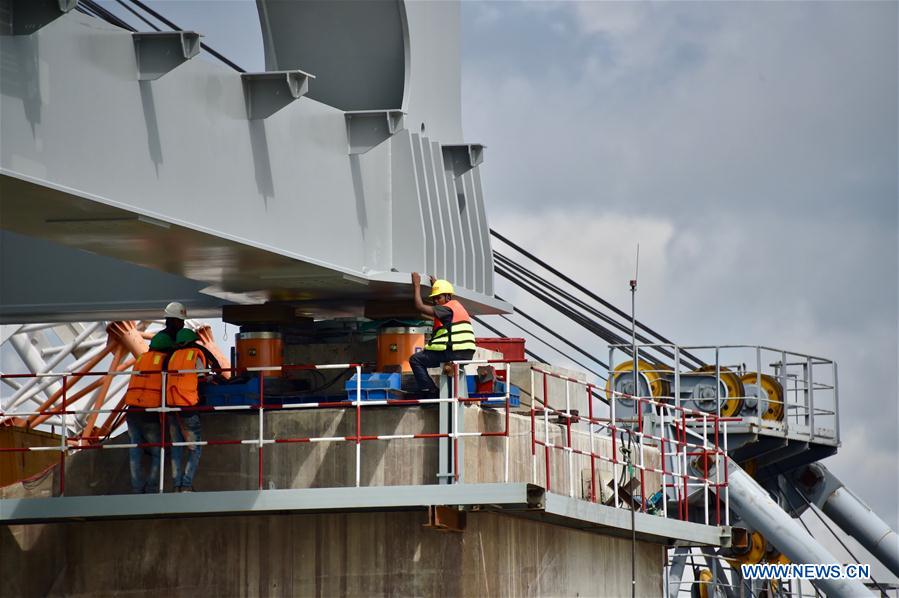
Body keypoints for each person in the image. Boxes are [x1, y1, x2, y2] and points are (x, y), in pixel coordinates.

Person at [165, 327, 221, 492]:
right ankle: (187, 485)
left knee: (176, 446)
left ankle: (176, 486)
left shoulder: (173, 356)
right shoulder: (195, 354)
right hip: (188, 406)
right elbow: (202, 377)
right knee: (195, 448)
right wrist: (213, 377)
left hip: (171, 406)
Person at [409, 272, 477, 397]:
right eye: (434, 298)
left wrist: (416, 285)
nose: (436, 301)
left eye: (438, 297)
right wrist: (436, 285)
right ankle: (441, 392)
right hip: (465, 353)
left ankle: (429, 390)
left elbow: (419, 306)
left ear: (448, 297)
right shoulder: (457, 308)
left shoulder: (445, 309)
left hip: (453, 352)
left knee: (415, 359)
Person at [122, 334, 172, 493]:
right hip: (150, 412)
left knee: (135, 451)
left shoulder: (141, 359)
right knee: (158, 452)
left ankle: (137, 488)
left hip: (132, 411)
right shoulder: (165, 361)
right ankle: (152, 487)